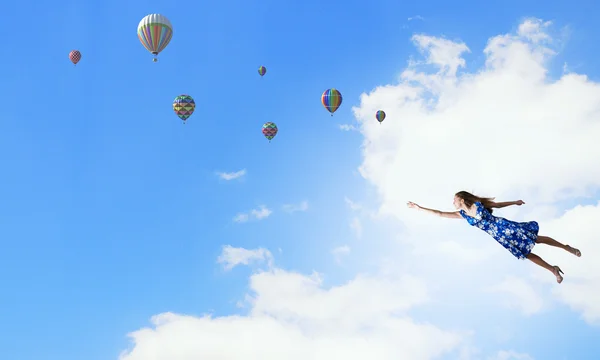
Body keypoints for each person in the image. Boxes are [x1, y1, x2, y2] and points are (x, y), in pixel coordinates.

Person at [407, 191, 581, 284]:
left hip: (504, 226)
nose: (452, 201)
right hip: (498, 236)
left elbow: (497, 205)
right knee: (525, 254)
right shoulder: (462, 215)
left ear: (462, 198)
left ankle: (566, 247)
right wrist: (419, 208)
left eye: (454, 199)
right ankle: (553, 270)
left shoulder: (478, 204)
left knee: (535, 239)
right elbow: (439, 214)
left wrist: (515, 202)